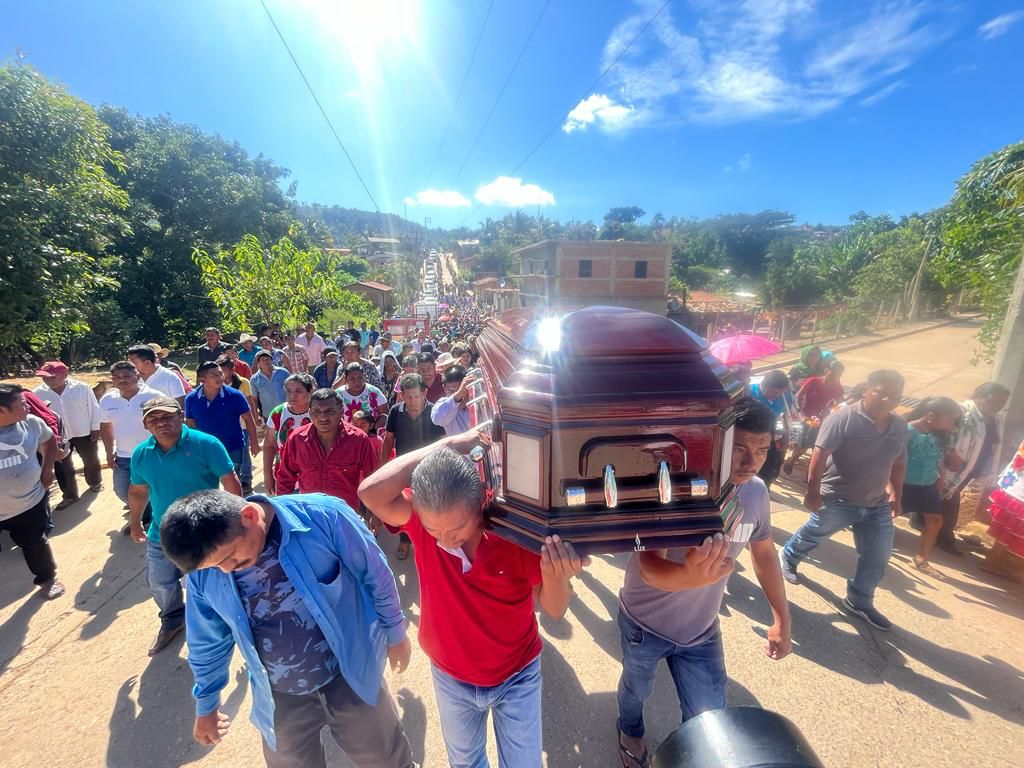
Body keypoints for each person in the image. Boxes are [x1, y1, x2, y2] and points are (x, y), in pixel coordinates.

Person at [358, 430, 587, 768]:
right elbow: (370, 492)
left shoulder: (514, 532)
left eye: (458, 529)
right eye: (435, 532)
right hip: (451, 676)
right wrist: (449, 446)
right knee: (465, 763)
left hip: (517, 674)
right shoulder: (422, 523)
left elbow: (554, 608)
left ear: (482, 504)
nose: (446, 540)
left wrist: (557, 576)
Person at [161, 489, 414, 767]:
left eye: (229, 557)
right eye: (215, 566)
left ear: (248, 516)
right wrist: (207, 701)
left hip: (351, 674)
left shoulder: (323, 517)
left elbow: (375, 574)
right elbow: (207, 640)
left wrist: (395, 632)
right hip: (279, 697)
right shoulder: (207, 575)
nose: (226, 570)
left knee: (387, 759)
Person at [616, 398, 792, 767]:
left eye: (761, 450)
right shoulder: (674, 487)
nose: (751, 461)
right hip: (644, 624)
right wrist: (688, 576)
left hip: (702, 630)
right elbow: (647, 566)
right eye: (740, 448)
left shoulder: (757, 492)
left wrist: (782, 619)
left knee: (710, 713)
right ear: (717, 440)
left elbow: (764, 555)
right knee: (636, 690)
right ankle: (629, 728)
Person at [780, 370, 908, 631]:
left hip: (877, 504)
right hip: (839, 497)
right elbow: (820, 452)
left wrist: (896, 494)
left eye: (894, 395)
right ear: (866, 390)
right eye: (881, 392)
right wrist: (812, 491)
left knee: (878, 555)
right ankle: (789, 556)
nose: (887, 399)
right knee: (815, 533)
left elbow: (899, 461)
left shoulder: (899, 426)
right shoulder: (843, 417)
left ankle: (859, 601)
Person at [128, 396, 242, 654]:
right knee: (159, 582)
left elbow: (230, 481)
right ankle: (172, 620)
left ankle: (222, 627)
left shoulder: (206, 444)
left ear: (181, 415)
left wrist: (237, 524)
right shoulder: (141, 454)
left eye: (168, 416)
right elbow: (137, 491)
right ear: (145, 425)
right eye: (153, 419)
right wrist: (134, 523)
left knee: (209, 585)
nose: (161, 423)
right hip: (161, 533)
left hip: (204, 533)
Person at [0, 384, 65, 599]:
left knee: (35, 543)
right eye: (21, 403)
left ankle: (47, 579)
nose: (29, 405)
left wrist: (47, 470)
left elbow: (49, 442)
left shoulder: (32, 423)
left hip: (30, 501)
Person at [936, 382, 1011, 554]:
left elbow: (994, 443)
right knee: (950, 499)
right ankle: (945, 538)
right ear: (977, 396)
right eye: (992, 401)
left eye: (1001, 403)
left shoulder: (996, 419)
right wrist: (950, 452)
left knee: (945, 496)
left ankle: (923, 523)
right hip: (952, 465)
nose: (997, 405)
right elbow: (942, 432)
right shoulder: (961, 412)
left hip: (972, 467)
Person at [275, 389, 378, 511]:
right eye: (316, 412)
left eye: (329, 411)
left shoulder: (359, 440)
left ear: (341, 412)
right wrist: (284, 512)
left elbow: (373, 479)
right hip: (310, 516)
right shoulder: (297, 439)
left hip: (345, 515)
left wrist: (376, 513)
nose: (323, 417)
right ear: (309, 413)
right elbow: (285, 479)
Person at [381, 374, 446, 561]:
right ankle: (405, 540)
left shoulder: (436, 414)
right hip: (403, 470)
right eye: (408, 396)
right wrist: (383, 465)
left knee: (430, 506)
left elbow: (443, 444)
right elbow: (389, 440)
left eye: (416, 396)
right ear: (401, 395)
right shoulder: (395, 412)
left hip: (430, 470)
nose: (413, 400)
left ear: (424, 393)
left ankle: (431, 541)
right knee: (405, 507)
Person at [901, 397, 962, 577]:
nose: (952, 424)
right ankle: (873, 547)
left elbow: (939, 458)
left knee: (935, 521)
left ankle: (921, 559)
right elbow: (894, 457)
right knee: (887, 515)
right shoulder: (908, 430)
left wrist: (940, 476)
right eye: (949, 419)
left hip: (928, 485)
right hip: (904, 484)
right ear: (930, 416)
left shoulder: (942, 435)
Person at [34, 360, 103, 508]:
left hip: (82, 430)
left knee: (90, 459)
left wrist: (95, 427)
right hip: (57, 436)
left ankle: (95, 482)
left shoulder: (81, 388)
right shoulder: (38, 393)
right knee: (62, 465)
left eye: (52, 376)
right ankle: (70, 495)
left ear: (65, 374)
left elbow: (94, 408)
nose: (48, 380)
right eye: (44, 377)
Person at [99, 361, 160, 528]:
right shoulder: (108, 400)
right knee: (122, 491)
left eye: (126, 376)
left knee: (153, 487)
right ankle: (144, 512)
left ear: (137, 376)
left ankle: (146, 519)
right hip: (124, 456)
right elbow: (106, 426)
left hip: (152, 453)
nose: (122, 380)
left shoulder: (153, 397)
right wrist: (109, 452)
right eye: (117, 377)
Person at [185, 361, 261, 496]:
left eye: (220, 373)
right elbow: (190, 424)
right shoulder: (191, 398)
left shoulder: (235, 395)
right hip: (204, 450)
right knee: (207, 483)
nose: (220, 377)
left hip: (232, 446)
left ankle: (235, 509)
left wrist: (254, 442)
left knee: (232, 482)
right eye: (214, 375)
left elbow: (249, 419)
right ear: (202, 380)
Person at [784, 360, 845, 475]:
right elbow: (798, 396)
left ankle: (809, 477)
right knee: (800, 446)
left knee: (815, 449)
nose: (835, 377)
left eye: (838, 374)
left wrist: (832, 415)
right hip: (804, 418)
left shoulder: (838, 388)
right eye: (834, 373)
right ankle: (791, 459)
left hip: (822, 422)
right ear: (826, 370)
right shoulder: (813, 381)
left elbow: (841, 405)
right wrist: (801, 414)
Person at [262, 373, 314, 495]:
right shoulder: (278, 413)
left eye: (298, 391)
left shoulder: (318, 413)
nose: (292, 396)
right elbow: (269, 445)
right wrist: (268, 476)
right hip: (284, 478)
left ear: (310, 392)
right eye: (289, 391)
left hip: (313, 478)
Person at [983, 438, 1024, 577]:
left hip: (1015, 486)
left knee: (1008, 530)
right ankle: (992, 562)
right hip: (1019, 492)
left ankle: (996, 562)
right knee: (1009, 530)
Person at [749, 370, 790, 490]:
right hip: (751, 443)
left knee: (767, 477)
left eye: (780, 393)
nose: (777, 396)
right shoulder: (749, 393)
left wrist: (785, 440)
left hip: (770, 443)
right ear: (765, 385)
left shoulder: (784, 397)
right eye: (775, 392)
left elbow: (787, 418)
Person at [338, 362, 388, 427]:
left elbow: (385, 414)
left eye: (359, 377)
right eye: (352, 378)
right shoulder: (338, 395)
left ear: (364, 376)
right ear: (346, 379)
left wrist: (373, 430)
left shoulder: (374, 392)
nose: (357, 381)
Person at [432, 366, 475, 436]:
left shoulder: (477, 397)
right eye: (451, 391)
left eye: (460, 389)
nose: (458, 393)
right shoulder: (442, 403)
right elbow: (437, 419)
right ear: (444, 388)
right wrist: (457, 396)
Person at [250, 350, 290, 423]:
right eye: (263, 360)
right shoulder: (254, 379)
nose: (266, 361)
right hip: (269, 415)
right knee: (272, 434)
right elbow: (254, 399)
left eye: (268, 359)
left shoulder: (283, 372)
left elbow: (291, 390)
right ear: (258, 363)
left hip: (287, 412)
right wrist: (256, 416)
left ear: (272, 360)